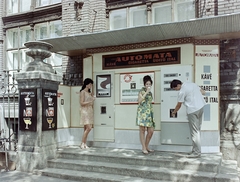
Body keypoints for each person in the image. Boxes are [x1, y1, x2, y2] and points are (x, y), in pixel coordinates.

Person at [170, 79, 206, 158]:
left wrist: (174, 112)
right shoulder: (192, 84)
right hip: (201, 107)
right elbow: (203, 92)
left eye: (175, 88)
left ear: (178, 85)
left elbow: (179, 105)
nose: (176, 90)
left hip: (193, 110)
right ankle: (195, 150)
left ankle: (197, 152)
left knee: (194, 132)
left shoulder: (182, 91)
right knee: (197, 130)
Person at [136, 75, 155, 154]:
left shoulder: (150, 93)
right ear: (144, 84)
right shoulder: (141, 91)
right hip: (142, 112)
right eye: (147, 84)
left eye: (149, 84)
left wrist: (148, 92)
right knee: (142, 130)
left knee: (151, 131)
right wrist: (146, 92)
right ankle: (143, 147)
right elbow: (139, 100)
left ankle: (147, 146)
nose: (148, 85)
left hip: (149, 112)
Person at [79, 78, 95, 149]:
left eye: (91, 84)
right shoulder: (83, 92)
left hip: (90, 110)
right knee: (89, 128)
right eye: (90, 84)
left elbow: (93, 95)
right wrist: (90, 101)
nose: (91, 85)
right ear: (87, 84)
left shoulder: (89, 93)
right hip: (85, 110)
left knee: (86, 128)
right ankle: (82, 143)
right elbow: (81, 103)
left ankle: (84, 143)